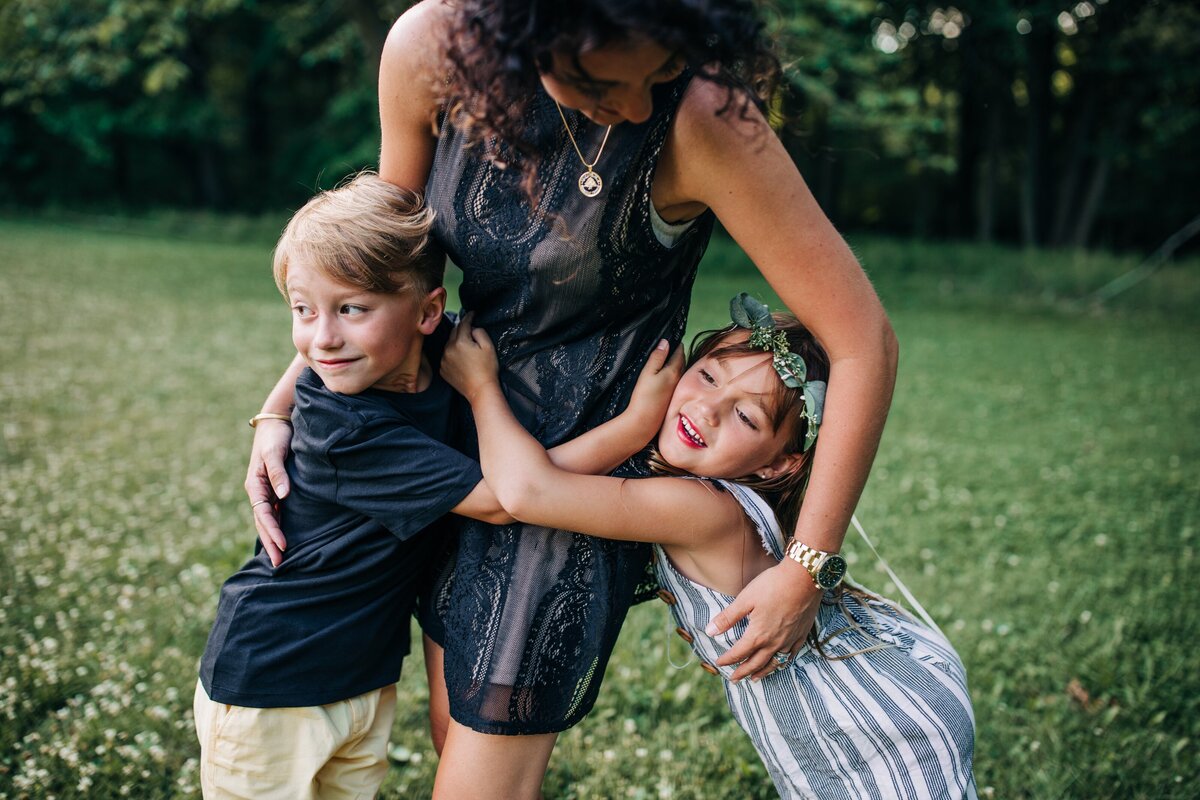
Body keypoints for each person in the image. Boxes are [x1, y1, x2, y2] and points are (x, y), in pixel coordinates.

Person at [246, 1, 899, 796]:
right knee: (452, 734)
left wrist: (806, 566)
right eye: (601, 82)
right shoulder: (428, 50)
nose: (637, 106)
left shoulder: (704, 117)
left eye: (660, 71)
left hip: (574, 489)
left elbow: (862, 341)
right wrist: (283, 404)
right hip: (451, 449)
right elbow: (376, 266)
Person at [197, 173, 676, 798]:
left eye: (350, 309)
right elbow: (508, 498)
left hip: (358, 680)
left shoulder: (435, 349)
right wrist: (634, 427)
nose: (322, 339)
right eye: (302, 310)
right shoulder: (344, 429)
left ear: (427, 312)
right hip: (273, 675)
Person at [440, 296, 977, 799]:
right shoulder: (723, 499)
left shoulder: (703, 509)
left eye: (746, 416)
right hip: (875, 685)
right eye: (708, 376)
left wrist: (481, 387)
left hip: (869, 717)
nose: (709, 409)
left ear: (778, 464)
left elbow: (527, 491)